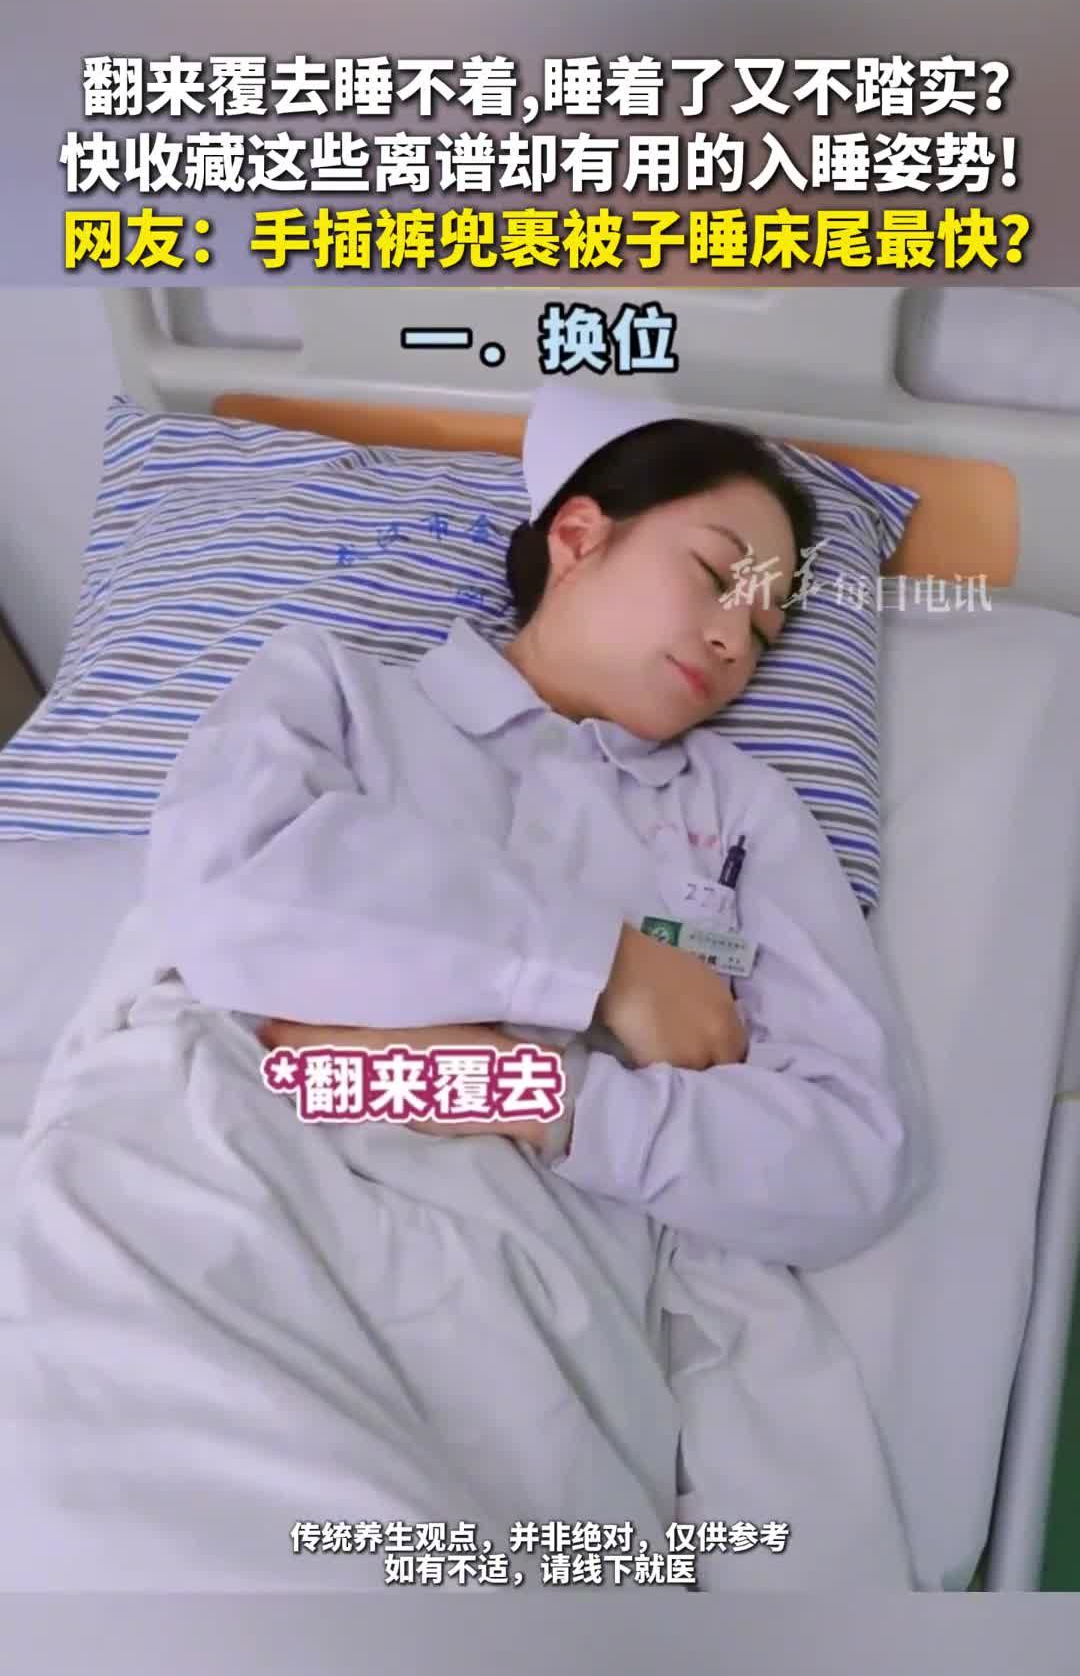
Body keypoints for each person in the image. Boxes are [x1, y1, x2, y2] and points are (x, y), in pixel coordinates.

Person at [144, 379, 926, 1270]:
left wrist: (523, 1091)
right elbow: (224, 893)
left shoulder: (739, 812)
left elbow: (854, 1157)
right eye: (716, 578)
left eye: (762, 632)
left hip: (498, 1275)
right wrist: (612, 967)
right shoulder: (334, 691)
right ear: (579, 537)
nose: (733, 645)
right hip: (198, 1182)